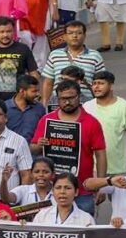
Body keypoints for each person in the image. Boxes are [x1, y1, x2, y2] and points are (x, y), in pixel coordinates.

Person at [30, 80, 106, 214]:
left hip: (83, 190)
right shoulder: (47, 120)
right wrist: (39, 145)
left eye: (71, 98)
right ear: (57, 99)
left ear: (79, 97)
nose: (67, 102)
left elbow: (100, 154)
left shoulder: (91, 122)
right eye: (63, 99)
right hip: (51, 190)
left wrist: (101, 184)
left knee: (85, 231)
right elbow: (33, 149)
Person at [84, 70, 126, 176]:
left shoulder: (125, 106)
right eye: (94, 84)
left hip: (121, 170)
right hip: (93, 169)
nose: (96, 87)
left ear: (111, 86)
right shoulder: (86, 107)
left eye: (101, 83)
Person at [40, 20, 105, 105]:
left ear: (84, 36)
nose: (75, 36)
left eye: (79, 33)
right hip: (59, 102)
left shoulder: (95, 56)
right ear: (64, 36)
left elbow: (101, 82)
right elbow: (48, 82)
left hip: (86, 103)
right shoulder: (54, 55)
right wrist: (45, 103)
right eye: (70, 33)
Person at [0, 16, 39, 100]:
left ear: (14, 31)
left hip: (18, 100)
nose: (5, 35)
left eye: (8, 31)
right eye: (1, 32)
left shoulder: (23, 49)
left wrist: (34, 92)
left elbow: (33, 73)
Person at [5, 75, 46, 142]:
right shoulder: (4, 108)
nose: (37, 94)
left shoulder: (39, 108)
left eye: (37, 91)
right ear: (22, 91)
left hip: (33, 150)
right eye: (34, 91)